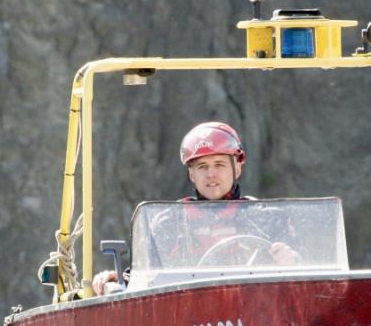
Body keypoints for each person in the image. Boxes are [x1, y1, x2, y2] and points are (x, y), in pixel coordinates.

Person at [92, 121, 295, 295]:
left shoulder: (266, 218)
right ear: (191, 175)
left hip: (256, 316)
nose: (211, 174)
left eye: (219, 164)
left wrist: (293, 260)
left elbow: (303, 271)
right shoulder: (170, 222)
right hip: (187, 320)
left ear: (238, 168)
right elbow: (146, 276)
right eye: (202, 167)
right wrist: (117, 279)